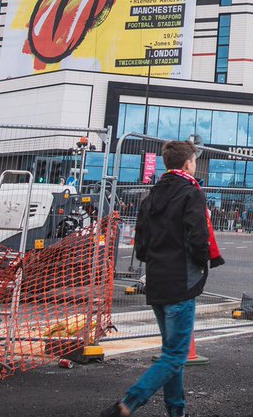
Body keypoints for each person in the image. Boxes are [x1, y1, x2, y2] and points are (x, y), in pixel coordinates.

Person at [102, 139, 222, 417]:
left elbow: (141, 246)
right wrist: (201, 263)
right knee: (175, 355)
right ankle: (127, 404)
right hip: (182, 281)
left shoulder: (152, 194)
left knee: (172, 352)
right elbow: (198, 237)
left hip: (156, 279)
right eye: (194, 161)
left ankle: (177, 410)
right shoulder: (192, 192)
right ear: (188, 163)